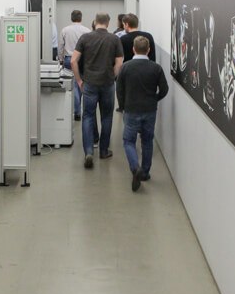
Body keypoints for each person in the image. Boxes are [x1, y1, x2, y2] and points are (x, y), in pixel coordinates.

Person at [116, 36, 169, 192]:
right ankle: (145, 172)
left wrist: (123, 106)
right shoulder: (156, 68)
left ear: (133, 49)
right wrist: (154, 99)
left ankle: (135, 167)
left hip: (131, 109)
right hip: (149, 110)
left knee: (128, 141)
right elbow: (164, 89)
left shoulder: (125, 67)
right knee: (147, 141)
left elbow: (119, 90)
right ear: (149, 50)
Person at [72, 12, 123, 168]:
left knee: (88, 116)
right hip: (107, 84)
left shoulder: (85, 38)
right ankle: (103, 151)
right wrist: (112, 77)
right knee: (107, 117)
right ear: (107, 23)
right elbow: (119, 63)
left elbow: (74, 60)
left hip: (89, 84)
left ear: (95, 22)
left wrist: (79, 80)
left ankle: (88, 152)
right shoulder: (114, 39)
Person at [57, 10, 89, 121]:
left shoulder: (65, 30)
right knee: (81, 83)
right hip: (82, 60)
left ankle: (76, 111)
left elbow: (60, 47)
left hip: (69, 60)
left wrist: (60, 60)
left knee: (73, 85)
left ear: (71, 18)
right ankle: (80, 109)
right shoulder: (87, 31)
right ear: (81, 18)